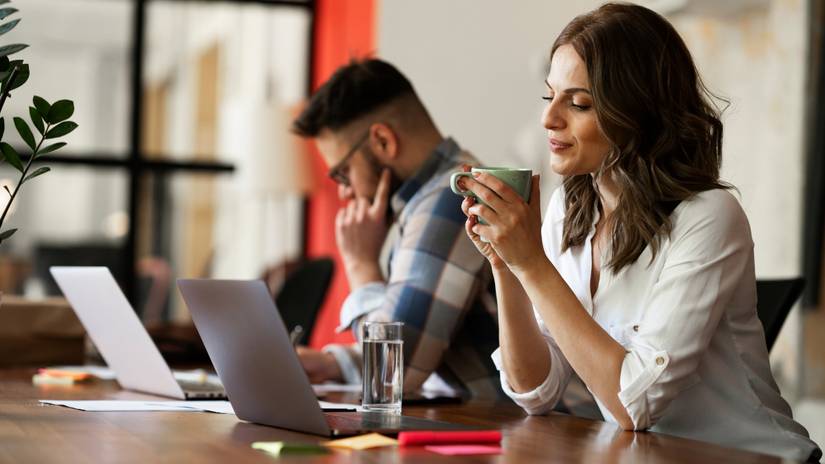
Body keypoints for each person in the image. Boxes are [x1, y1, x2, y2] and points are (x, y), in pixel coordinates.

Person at [456, 3, 821, 461]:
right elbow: (536, 390)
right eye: (549, 96)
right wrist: (508, 264)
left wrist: (531, 261)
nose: (550, 119)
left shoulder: (709, 216)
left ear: (638, 112)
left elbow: (635, 403)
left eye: (579, 103)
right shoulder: (569, 210)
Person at [291, 59, 501, 398]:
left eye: (343, 173)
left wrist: (361, 264)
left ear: (383, 141)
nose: (345, 192)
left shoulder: (453, 199)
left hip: (546, 438)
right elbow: (414, 355)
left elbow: (390, 373)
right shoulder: (426, 202)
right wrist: (332, 363)